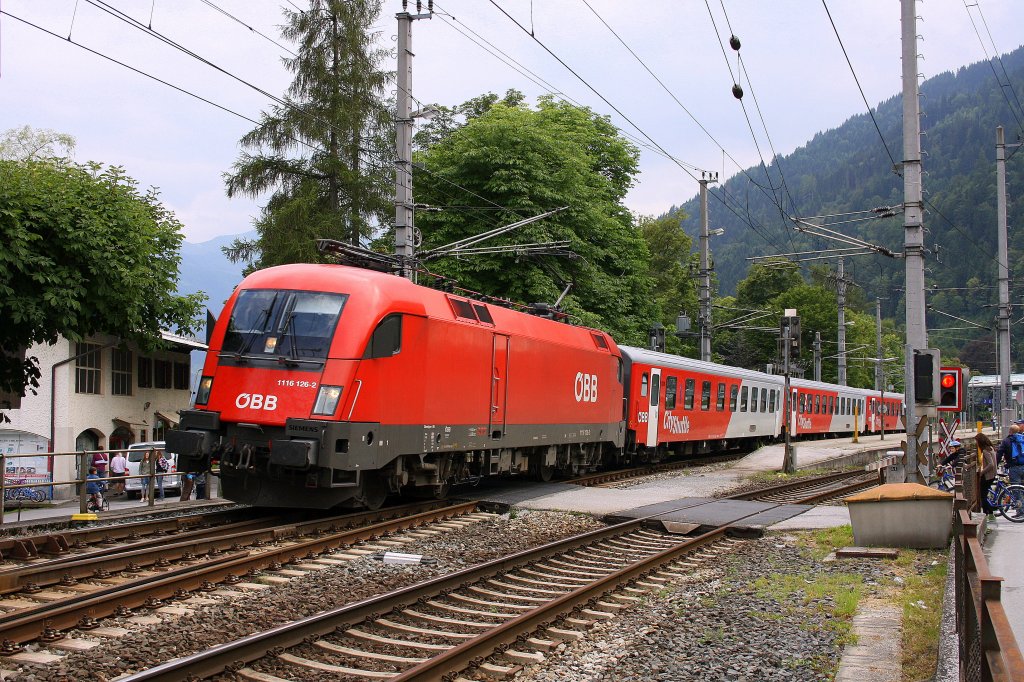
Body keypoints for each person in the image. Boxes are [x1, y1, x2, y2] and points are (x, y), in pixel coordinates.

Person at [976, 432, 998, 518]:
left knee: (982, 496)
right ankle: (988, 512)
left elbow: (991, 464)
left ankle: (989, 510)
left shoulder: (985, 451)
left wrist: (981, 472)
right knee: (984, 494)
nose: (976, 444)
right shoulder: (991, 448)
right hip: (992, 474)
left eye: (977, 442)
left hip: (988, 476)